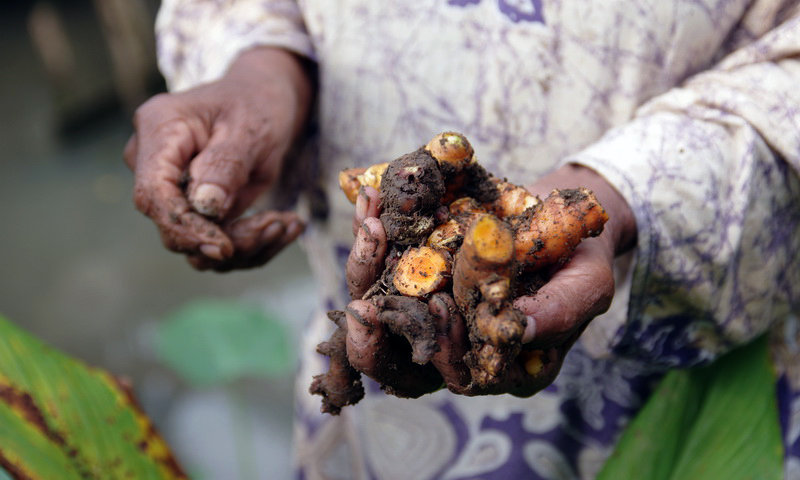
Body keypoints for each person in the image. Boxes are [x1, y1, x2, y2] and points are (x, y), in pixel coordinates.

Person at [125, 1, 800, 478]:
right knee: (360, 347)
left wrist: (621, 193)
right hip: (374, 389)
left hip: (691, 374)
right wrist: (262, 71)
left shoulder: (503, 223)